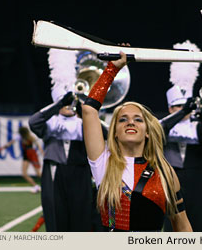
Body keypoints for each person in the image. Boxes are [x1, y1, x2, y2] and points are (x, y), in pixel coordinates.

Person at [81, 52, 192, 232]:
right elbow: (88, 110)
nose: (130, 122)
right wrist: (113, 68)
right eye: (123, 119)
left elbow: (182, 225)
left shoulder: (165, 171)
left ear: (147, 132)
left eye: (138, 119)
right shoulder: (103, 162)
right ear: (114, 132)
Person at [29, 92, 105, 232]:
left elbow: (106, 132)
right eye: (66, 103)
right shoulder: (51, 123)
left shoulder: (83, 124)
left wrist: (86, 112)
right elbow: (33, 122)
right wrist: (59, 103)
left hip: (80, 173)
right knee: (55, 214)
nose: (69, 106)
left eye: (71, 103)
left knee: (81, 216)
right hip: (54, 171)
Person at [160, 85, 202, 232]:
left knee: (197, 224)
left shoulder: (198, 126)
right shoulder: (163, 124)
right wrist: (184, 111)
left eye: (185, 105)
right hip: (171, 180)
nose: (183, 108)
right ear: (170, 109)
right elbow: (158, 131)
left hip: (196, 181)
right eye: (177, 106)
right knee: (171, 226)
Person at [0, 126, 43, 193]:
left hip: (32, 154)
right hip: (26, 155)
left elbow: (38, 145)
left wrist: (42, 152)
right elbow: (10, 143)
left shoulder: (30, 137)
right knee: (24, 174)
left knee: (38, 173)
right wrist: (2, 148)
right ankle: (36, 186)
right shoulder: (20, 137)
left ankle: (50, 184)